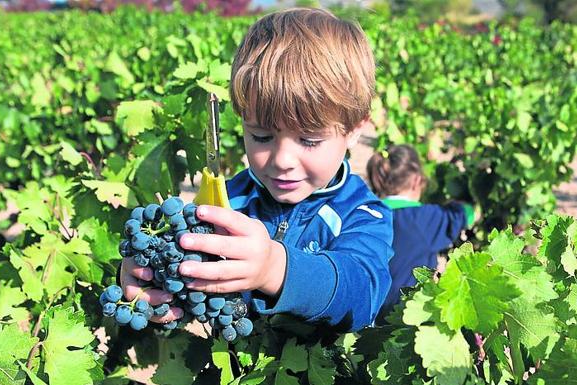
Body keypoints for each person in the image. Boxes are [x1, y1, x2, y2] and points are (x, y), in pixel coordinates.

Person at [119, 8, 394, 332]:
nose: (282, 160)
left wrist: (276, 269)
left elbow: (362, 293)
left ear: (354, 131)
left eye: (308, 140)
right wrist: (147, 277)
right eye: (262, 136)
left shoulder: (362, 215)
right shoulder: (227, 203)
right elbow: (186, 282)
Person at [366, 144, 475, 312]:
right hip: (403, 314)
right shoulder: (422, 219)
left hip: (366, 311)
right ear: (417, 180)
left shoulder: (365, 214)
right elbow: (463, 215)